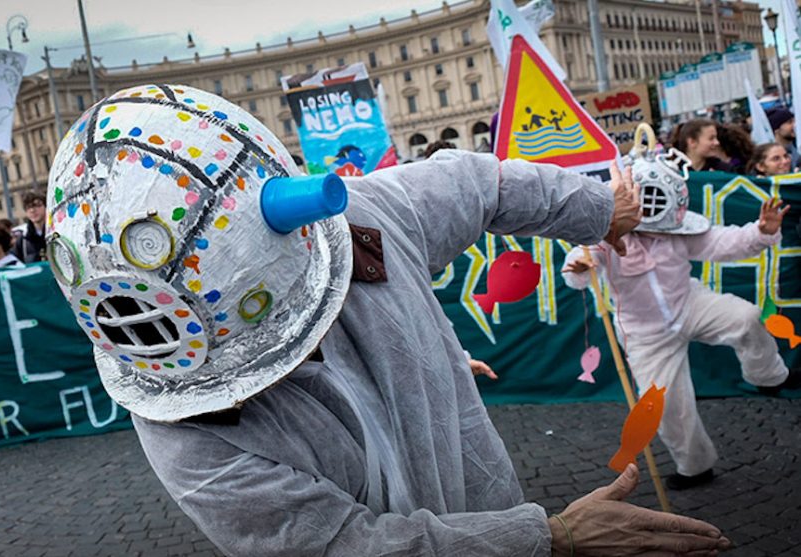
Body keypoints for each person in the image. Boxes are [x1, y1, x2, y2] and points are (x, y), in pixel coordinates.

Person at [44, 85, 730, 556]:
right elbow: (349, 545)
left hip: (485, 494)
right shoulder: (186, 438)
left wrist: (591, 207)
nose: (257, 387)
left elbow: (479, 182)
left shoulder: (371, 214)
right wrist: (551, 539)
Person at [562, 138, 800, 491]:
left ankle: (769, 376)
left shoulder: (676, 229)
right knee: (666, 406)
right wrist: (579, 266)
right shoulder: (599, 239)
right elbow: (576, 276)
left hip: (690, 303)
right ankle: (695, 466)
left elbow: (722, 243)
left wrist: (762, 232)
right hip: (645, 333)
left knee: (746, 316)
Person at [12, 191, 47, 264]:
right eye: (28, 207)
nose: (32, 210)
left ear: (46, 207)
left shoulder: (57, 232)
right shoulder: (23, 240)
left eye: (37, 206)